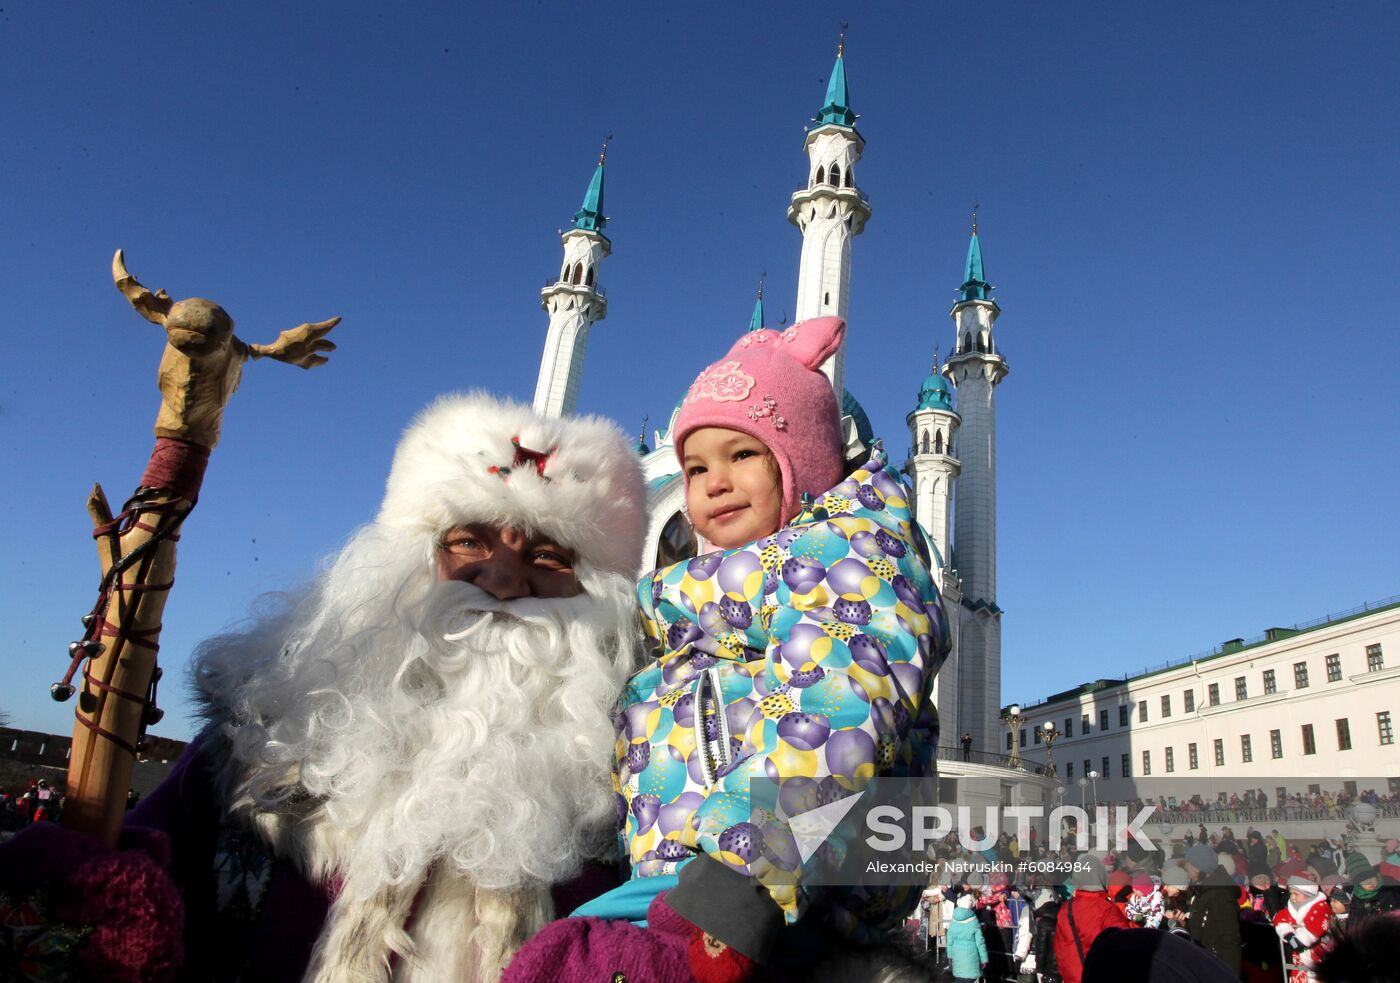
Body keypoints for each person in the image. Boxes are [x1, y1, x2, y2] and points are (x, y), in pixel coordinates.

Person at [0, 393, 648, 983]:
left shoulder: (646, 793)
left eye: (548, 556)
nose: (503, 580)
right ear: (410, 559)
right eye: (468, 540)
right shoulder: (258, 750)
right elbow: (127, 891)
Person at [504, 317, 951, 980]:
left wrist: (740, 876)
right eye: (695, 466)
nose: (715, 480)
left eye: (743, 455)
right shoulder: (711, 595)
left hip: (753, 885)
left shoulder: (850, 559)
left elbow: (836, 709)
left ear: (806, 467)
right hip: (690, 872)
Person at [1054, 856, 1131, 983]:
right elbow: (1125, 948)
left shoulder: (1066, 908)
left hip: (1072, 978)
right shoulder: (1107, 910)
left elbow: (1060, 949)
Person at [1184, 842, 1243, 977]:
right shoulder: (1204, 890)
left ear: (1198, 867)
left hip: (1216, 964)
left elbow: (1230, 939)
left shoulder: (1219, 894)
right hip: (1205, 960)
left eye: (1188, 865)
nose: (1186, 869)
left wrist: (1230, 977)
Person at [1274, 872, 1333, 983]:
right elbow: (1280, 918)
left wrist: (1300, 940)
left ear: (1308, 894)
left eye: (1296, 894)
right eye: (1291, 893)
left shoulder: (1320, 906)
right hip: (1300, 959)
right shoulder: (1293, 908)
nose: (1292, 898)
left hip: (1318, 955)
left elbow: (1317, 925)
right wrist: (1287, 933)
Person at [948, 893, 990, 983]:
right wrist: (984, 959)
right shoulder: (974, 921)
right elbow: (980, 943)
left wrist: (950, 956)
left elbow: (950, 941)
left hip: (957, 957)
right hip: (971, 959)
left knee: (959, 979)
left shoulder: (953, 920)